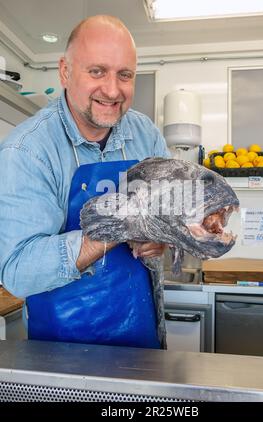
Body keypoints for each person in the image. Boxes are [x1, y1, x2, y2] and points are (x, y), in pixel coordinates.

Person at [0, 15, 170, 348]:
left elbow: (168, 208)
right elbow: (18, 272)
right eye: (96, 71)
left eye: (124, 75)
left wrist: (159, 238)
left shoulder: (145, 134)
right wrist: (113, 229)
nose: (111, 89)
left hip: (142, 334)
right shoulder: (28, 151)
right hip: (64, 348)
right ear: (65, 71)